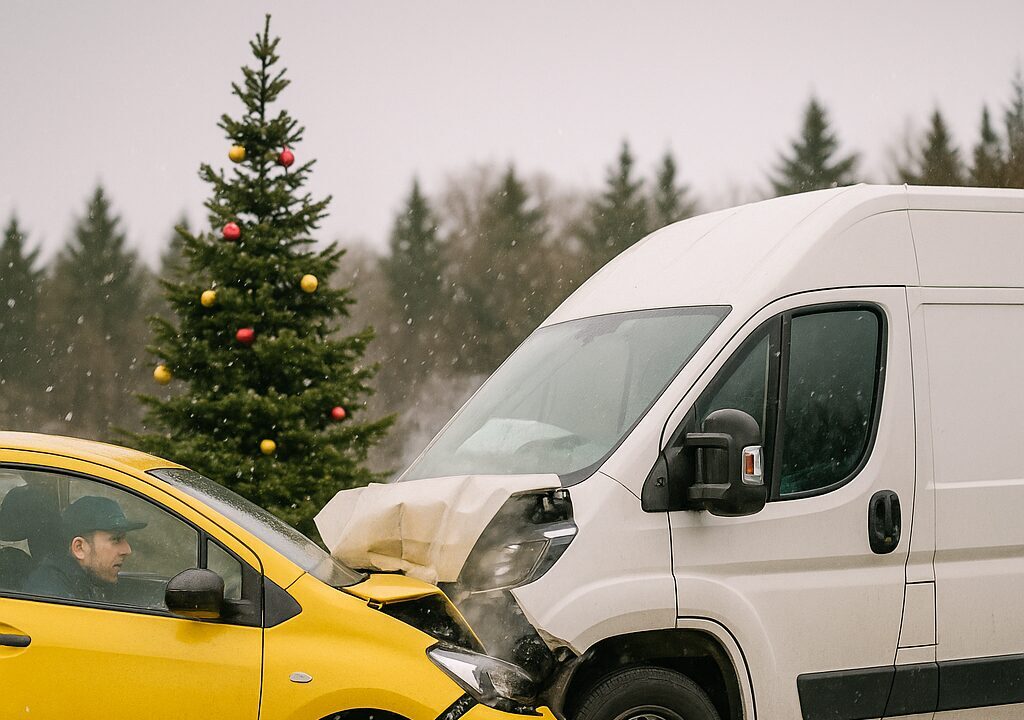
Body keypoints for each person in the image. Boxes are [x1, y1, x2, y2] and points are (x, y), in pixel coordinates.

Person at [24, 496, 147, 602]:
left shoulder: (83, 581)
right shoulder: (52, 596)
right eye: (116, 539)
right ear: (79, 548)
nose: (127, 550)